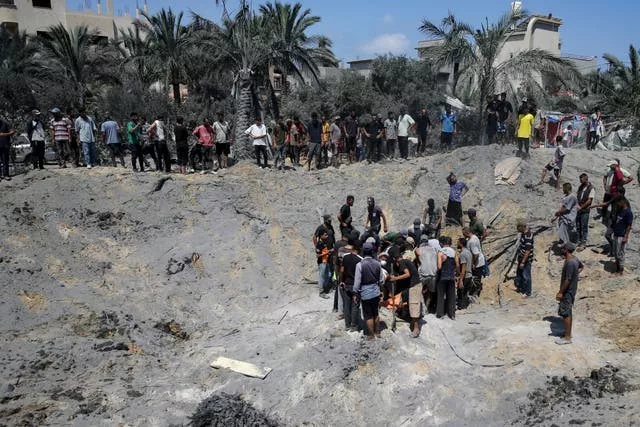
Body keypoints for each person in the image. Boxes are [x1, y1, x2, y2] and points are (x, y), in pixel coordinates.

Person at [353, 242, 385, 339]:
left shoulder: (359, 265)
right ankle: (378, 332)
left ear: (363, 251)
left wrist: (355, 293)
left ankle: (371, 335)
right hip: (376, 292)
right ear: (372, 252)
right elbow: (382, 280)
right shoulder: (377, 263)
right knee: (375, 313)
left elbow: (357, 282)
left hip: (365, 293)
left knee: (368, 315)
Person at [555, 241, 583, 345]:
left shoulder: (570, 262)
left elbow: (567, 280)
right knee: (568, 311)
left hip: (567, 291)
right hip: (571, 290)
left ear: (566, 249)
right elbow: (581, 267)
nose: (561, 250)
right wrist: (576, 274)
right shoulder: (574, 259)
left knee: (566, 313)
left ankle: (567, 338)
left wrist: (560, 292)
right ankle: (568, 333)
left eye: (563, 248)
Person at [390, 252, 423, 337]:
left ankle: (416, 329)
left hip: (415, 286)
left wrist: (395, 278)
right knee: (411, 305)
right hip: (414, 285)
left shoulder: (401, 262)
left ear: (395, 259)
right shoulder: (406, 261)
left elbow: (407, 274)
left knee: (413, 306)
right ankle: (412, 323)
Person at [601, 159, 633, 224]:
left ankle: (612, 221)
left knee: (614, 207)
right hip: (608, 191)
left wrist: (621, 184)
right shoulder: (610, 170)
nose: (610, 167)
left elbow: (629, 178)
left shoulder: (620, 171)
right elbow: (605, 177)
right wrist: (604, 184)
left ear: (616, 165)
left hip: (615, 192)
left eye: (611, 165)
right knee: (605, 204)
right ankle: (604, 216)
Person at [340, 245, 362, 331]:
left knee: (346, 305)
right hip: (356, 285)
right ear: (358, 250)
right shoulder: (360, 260)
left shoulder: (345, 258)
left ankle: (347, 325)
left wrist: (342, 281)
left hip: (347, 284)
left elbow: (342, 271)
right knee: (355, 305)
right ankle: (354, 325)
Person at [436, 236, 458, 319]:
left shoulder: (440, 252)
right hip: (451, 276)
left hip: (442, 277)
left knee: (441, 295)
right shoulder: (454, 252)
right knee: (451, 296)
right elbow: (457, 264)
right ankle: (452, 314)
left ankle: (440, 314)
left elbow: (439, 266)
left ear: (442, 243)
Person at [416, 235, 438, 313]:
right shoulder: (434, 249)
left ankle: (421, 309)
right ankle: (427, 308)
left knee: (419, 290)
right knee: (430, 292)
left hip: (423, 273)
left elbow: (418, 261)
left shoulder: (418, 249)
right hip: (433, 273)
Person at [611, 197, 633, 275]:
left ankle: (620, 270)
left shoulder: (628, 212)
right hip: (616, 234)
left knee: (621, 253)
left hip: (622, 236)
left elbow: (629, 225)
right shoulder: (620, 211)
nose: (617, 204)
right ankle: (617, 268)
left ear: (623, 201)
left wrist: (626, 236)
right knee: (616, 252)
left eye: (618, 203)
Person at [552, 183, 578, 247]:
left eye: (563, 188)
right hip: (563, 218)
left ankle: (567, 251)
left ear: (566, 188)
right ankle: (564, 250)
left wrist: (558, 212)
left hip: (568, 219)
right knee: (563, 235)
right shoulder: (566, 197)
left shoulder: (572, 197)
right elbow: (563, 207)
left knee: (565, 237)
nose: (562, 189)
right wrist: (556, 217)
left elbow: (566, 208)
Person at [462, 227, 486, 298]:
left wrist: (472, 263)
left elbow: (476, 254)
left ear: (466, 233)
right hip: (479, 262)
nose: (463, 236)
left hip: (477, 263)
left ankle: (475, 294)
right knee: (476, 278)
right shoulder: (474, 237)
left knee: (476, 279)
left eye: (464, 234)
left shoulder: (472, 241)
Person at [515, 220, 534, 297]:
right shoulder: (523, 234)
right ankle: (520, 287)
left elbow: (528, 250)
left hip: (526, 259)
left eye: (518, 228)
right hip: (521, 257)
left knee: (526, 275)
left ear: (522, 227)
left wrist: (523, 261)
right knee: (519, 273)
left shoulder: (528, 236)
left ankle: (527, 292)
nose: (517, 230)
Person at [575, 174, 595, 248]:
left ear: (586, 179)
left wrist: (581, 207)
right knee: (578, 225)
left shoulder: (591, 188)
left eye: (581, 179)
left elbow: (589, 200)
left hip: (585, 210)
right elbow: (578, 197)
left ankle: (583, 242)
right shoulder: (580, 187)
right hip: (579, 209)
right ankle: (578, 240)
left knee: (584, 226)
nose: (580, 181)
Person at [315, 230, 333, 299]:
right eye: (325, 235)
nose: (327, 236)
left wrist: (329, 252)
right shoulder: (319, 244)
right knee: (321, 277)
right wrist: (327, 252)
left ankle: (325, 288)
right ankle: (321, 292)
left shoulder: (324, 242)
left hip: (326, 261)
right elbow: (318, 255)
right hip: (322, 262)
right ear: (321, 236)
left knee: (328, 275)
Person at [456, 237, 473, 309]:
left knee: (460, 292)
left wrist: (460, 280)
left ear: (460, 243)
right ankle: (465, 305)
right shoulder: (468, 252)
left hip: (465, 276)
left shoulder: (463, 254)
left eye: (457, 242)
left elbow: (463, 268)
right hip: (469, 275)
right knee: (465, 292)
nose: (457, 243)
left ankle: (461, 306)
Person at [0, 116, 15, 181]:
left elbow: (12, 132)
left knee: (5, 160)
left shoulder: (5, 123)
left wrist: (5, 134)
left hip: (5, 145)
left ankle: (6, 175)